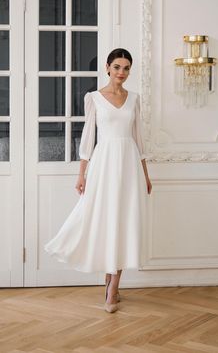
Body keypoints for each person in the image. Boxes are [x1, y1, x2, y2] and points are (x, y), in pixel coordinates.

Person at [44, 48, 152, 313]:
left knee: (124, 221)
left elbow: (139, 139)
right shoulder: (93, 98)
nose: (121, 73)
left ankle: (113, 288)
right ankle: (109, 280)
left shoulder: (134, 98)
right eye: (117, 67)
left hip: (129, 166)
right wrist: (82, 173)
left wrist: (146, 174)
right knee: (104, 220)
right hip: (103, 164)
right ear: (107, 67)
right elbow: (88, 137)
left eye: (126, 68)